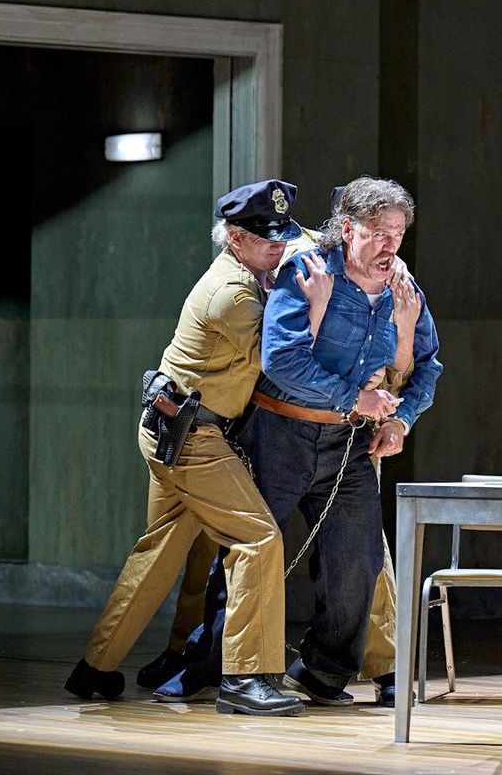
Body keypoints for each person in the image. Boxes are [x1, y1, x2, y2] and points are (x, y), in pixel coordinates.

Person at [156, 176, 441, 708]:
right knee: (252, 553)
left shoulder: (405, 289)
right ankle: (216, 667)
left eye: (399, 233)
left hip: (348, 444)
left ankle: (323, 673)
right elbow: (281, 361)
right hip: (281, 432)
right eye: (379, 232)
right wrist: (355, 398)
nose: (391, 245)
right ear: (348, 228)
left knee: (357, 560)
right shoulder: (308, 271)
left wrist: (402, 421)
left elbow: (426, 365)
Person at [63, 180, 327, 717]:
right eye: (263, 236)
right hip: (192, 438)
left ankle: (96, 667)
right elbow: (287, 360)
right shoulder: (232, 294)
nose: (277, 244)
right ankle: (246, 677)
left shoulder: (250, 274)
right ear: (234, 238)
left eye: (282, 234)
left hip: (172, 426)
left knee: (163, 549)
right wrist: (317, 301)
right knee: (257, 540)